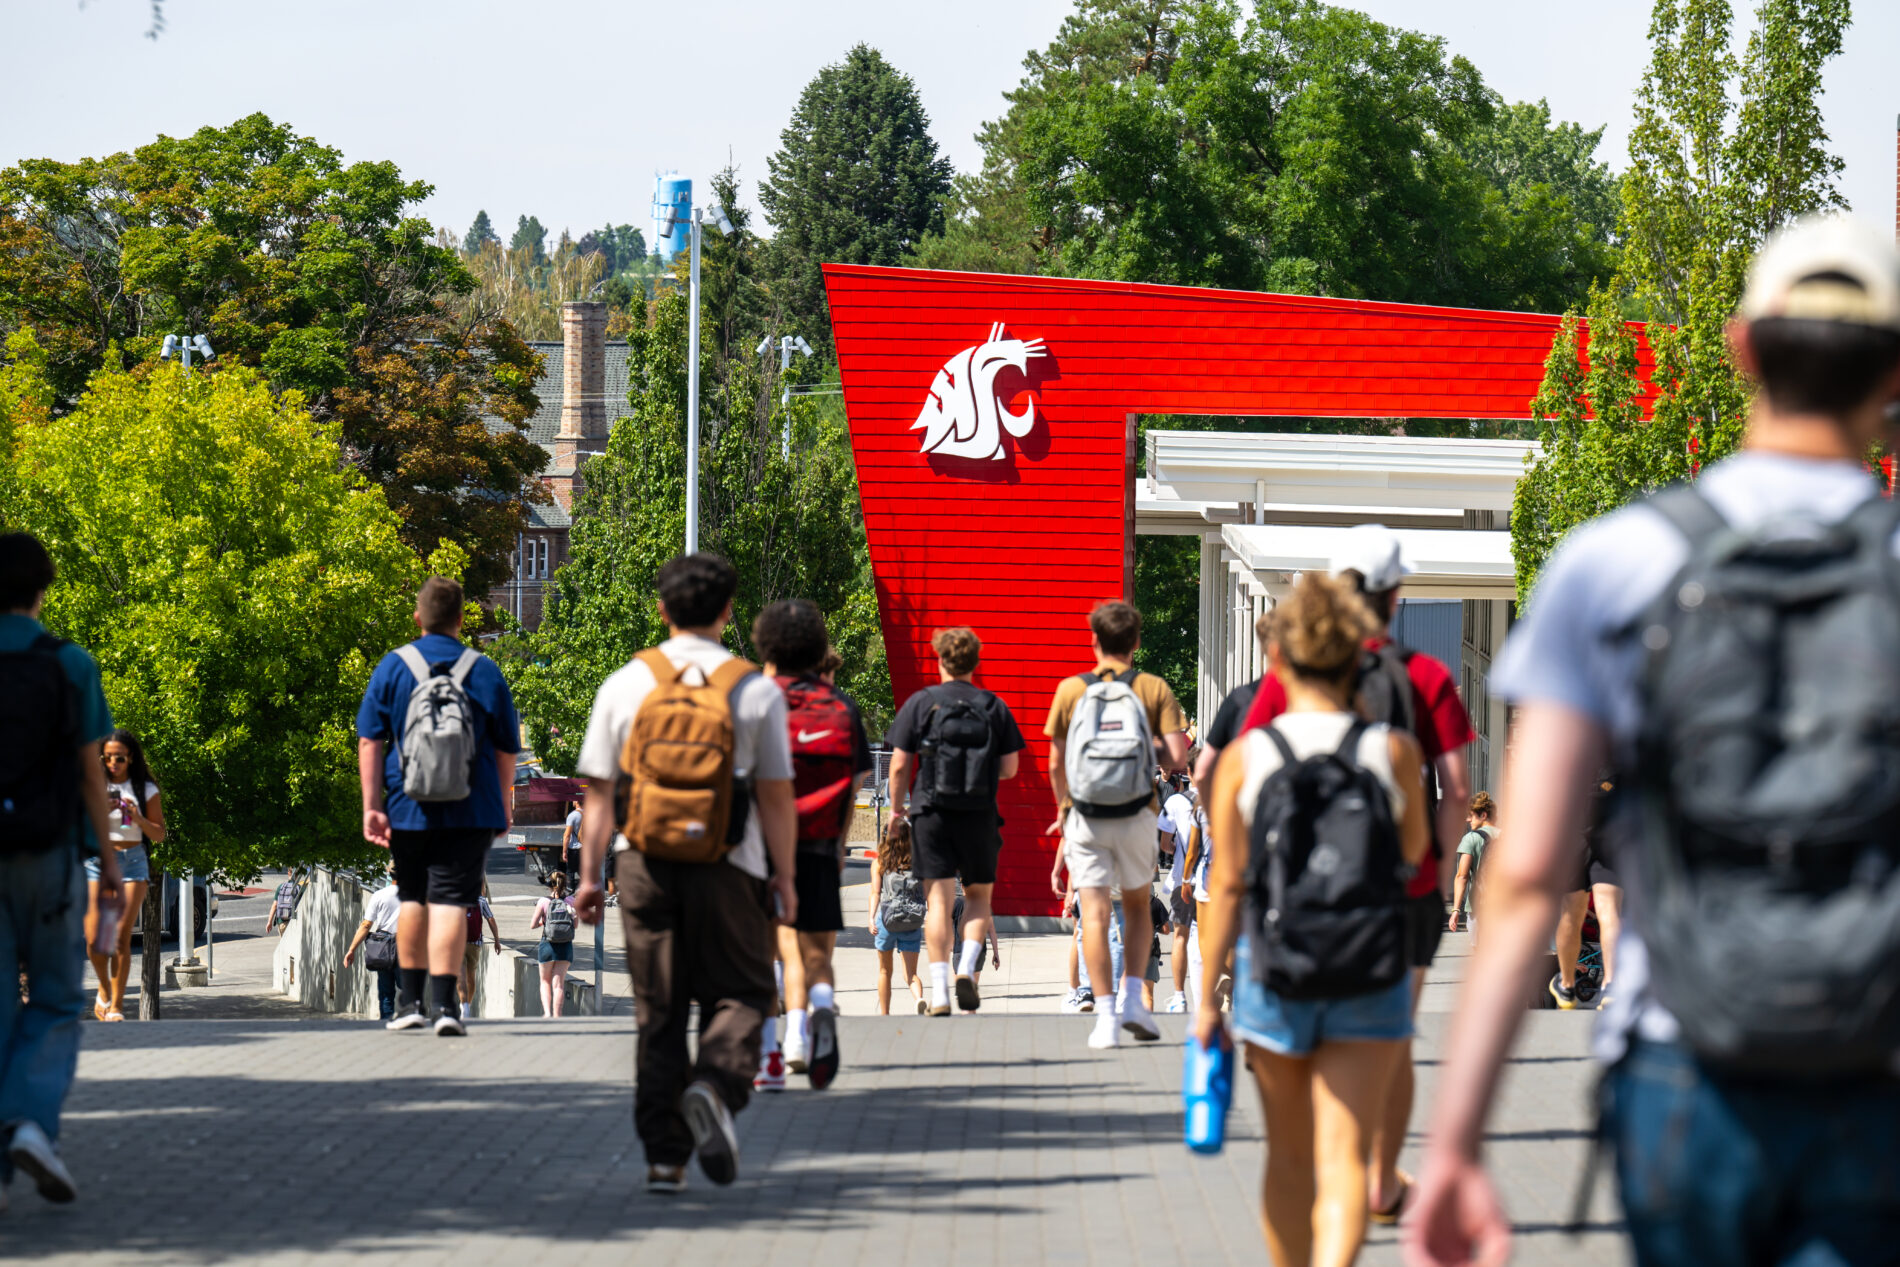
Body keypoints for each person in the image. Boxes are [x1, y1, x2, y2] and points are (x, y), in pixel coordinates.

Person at [1409, 215, 1900, 1267]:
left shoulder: (1617, 560)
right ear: (1893, 372)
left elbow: (1527, 872)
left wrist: (1454, 1143)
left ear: (1740, 348)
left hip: (1684, 1057)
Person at [1241, 526, 1476, 1224]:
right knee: (1391, 1034)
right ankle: (1377, 1179)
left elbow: (1246, 762)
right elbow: (1458, 787)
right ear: (1396, 595)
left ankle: (1328, 1158)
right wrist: (1434, 868)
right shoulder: (1426, 675)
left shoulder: (1296, 673)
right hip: (1403, 887)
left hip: (1300, 887)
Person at [1198, 572, 1431, 1267]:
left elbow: (1227, 882)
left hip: (1277, 969)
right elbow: (1413, 854)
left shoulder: (1247, 756)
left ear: (1279, 657)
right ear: (1358, 655)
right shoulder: (1393, 751)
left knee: (1289, 1158)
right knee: (1345, 1156)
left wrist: (1208, 1000)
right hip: (1370, 969)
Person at [568, 553, 796, 1194]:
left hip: (644, 863)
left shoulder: (625, 684)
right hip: (732, 865)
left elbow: (599, 793)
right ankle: (715, 1085)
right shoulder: (754, 690)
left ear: (662, 609)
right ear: (728, 611)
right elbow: (776, 795)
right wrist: (784, 876)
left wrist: (590, 877)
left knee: (658, 1009)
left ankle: (664, 1159)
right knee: (744, 992)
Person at [0, 531, 122, 1208]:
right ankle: (30, 1124)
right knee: (52, 995)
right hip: (49, 853)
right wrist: (109, 858)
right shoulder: (70, 663)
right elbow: (90, 775)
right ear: (42, 589)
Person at [356, 575, 522, 1037]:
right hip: (471, 808)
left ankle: (410, 1003)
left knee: (413, 898)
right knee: (451, 903)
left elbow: (370, 741)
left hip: (408, 804)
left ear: (418, 618)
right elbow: (507, 749)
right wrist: (503, 804)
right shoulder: (484, 670)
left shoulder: (393, 667)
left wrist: (372, 805)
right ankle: (447, 1007)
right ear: (461, 620)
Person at [1044, 600, 1191, 1049]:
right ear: (1136, 642)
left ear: (1094, 641)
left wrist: (1064, 808)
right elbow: (1178, 755)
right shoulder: (1152, 688)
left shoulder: (1072, 690)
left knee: (1093, 914)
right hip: (1137, 814)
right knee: (1136, 908)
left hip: (1087, 814)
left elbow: (1056, 762)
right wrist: (1146, 749)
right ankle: (1133, 1003)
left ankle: (1105, 1017)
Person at [756, 599, 872, 1089]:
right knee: (819, 952)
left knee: (766, 954)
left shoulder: (756, 700)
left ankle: (773, 1055)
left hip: (763, 848)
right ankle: (819, 1009)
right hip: (822, 844)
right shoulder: (841, 707)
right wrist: (839, 842)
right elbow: (855, 779)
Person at [885, 627, 1025, 1017]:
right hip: (978, 815)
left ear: (940, 659)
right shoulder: (993, 706)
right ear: (974, 662)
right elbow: (1010, 768)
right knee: (978, 899)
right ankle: (966, 971)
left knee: (938, 904)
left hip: (931, 814)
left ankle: (942, 994)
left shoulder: (921, 703)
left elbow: (899, 766)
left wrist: (896, 813)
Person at [83, 730, 163, 1023]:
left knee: (119, 936)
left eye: (119, 758)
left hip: (133, 862)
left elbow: (159, 834)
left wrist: (138, 817)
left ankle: (116, 1006)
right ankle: (104, 988)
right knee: (94, 940)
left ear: (130, 758)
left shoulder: (145, 789)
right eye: (108, 758)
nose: (113, 763)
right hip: (98, 862)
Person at [1549, 778, 1623, 1010]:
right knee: (1609, 912)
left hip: (1574, 834)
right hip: (1610, 832)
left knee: (1570, 914)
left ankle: (1566, 985)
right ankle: (1610, 985)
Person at [867, 817, 926, 1016]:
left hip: (887, 921)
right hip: (912, 921)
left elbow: (875, 893)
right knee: (911, 974)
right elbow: (926, 893)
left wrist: (871, 918)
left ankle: (885, 1015)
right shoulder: (918, 863)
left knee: (885, 971)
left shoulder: (880, 862)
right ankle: (919, 999)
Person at [1157, 773, 1201, 1012]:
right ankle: (1214, 993)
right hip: (1211, 881)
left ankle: (1179, 996)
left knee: (1180, 937)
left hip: (1182, 879)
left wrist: (1177, 852)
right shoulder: (1220, 797)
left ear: (1189, 773)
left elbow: (1164, 844)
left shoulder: (1175, 801)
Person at [343, 869, 402, 1022]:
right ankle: (412, 1019)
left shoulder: (379, 895)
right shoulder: (414, 895)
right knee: (411, 988)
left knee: (386, 992)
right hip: (406, 946)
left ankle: (386, 1023)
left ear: (390, 874)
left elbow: (366, 925)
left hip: (383, 948)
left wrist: (351, 949)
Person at [1447, 792, 1495, 937]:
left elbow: (1462, 876)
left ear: (1483, 815)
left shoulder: (1471, 838)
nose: (1468, 820)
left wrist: (1456, 910)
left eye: (1471, 816)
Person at [529, 873, 576, 1018]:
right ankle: (557, 1015)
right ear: (565, 884)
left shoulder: (543, 901)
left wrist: (543, 922)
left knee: (545, 981)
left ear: (550, 885)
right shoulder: (570, 901)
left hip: (547, 944)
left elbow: (533, 925)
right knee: (559, 984)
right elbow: (575, 925)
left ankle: (547, 1013)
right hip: (565, 945)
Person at [458, 880, 503, 1018]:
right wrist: (497, 940)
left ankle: (463, 1005)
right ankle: (468, 1004)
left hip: (459, 943)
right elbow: (491, 919)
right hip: (475, 944)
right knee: (471, 977)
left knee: (461, 976)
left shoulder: (457, 899)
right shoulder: (481, 901)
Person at [560, 799, 583, 891]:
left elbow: (567, 835)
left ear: (577, 802)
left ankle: (570, 891)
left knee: (570, 871)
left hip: (575, 848)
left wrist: (564, 851)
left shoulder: (573, 815)